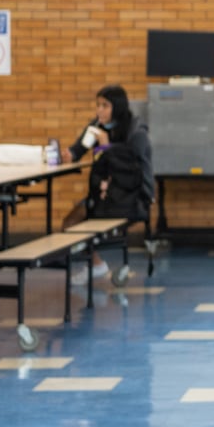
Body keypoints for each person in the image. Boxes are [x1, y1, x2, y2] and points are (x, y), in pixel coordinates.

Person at [62, 84, 154, 285]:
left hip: (131, 196)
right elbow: (79, 149)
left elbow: (132, 166)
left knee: (78, 225)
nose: (99, 111)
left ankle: (93, 262)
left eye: (105, 106)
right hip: (105, 194)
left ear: (117, 107)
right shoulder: (96, 127)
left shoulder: (136, 131)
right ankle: (96, 264)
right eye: (98, 105)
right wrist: (70, 154)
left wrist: (106, 147)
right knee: (70, 223)